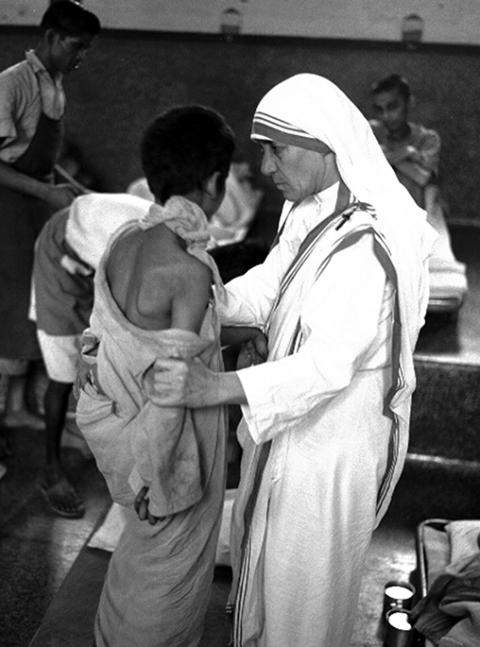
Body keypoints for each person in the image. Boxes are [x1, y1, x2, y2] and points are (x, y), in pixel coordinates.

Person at [146, 74, 436, 647]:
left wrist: (214, 386)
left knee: (302, 599)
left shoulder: (368, 243)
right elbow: (268, 287)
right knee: (266, 573)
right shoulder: (311, 212)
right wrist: (200, 287)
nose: (265, 165)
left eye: (275, 148)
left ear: (323, 143)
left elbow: (327, 366)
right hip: (290, 428)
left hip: (330, 446)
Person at [76, 106, 263, 647]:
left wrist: (232, 339)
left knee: (141, 553)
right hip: (165, 454)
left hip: (121, 428)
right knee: (169, 567)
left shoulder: (123, 243)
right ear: (213, 183)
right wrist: (155, 485)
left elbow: (146, 335)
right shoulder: (187, 269)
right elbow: (173, 388)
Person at [0, 1, 100, 448]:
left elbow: (45, 162)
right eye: (76, 47)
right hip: (7, 206)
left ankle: (19, 408)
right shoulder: (12, 84)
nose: (81, 57)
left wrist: (77, 190)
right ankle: (7, 410)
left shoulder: (56, 85)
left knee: (31, 306)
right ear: (53, 38)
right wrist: (45, 192)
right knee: (10, 304)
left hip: (35, 203)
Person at [31, 192, 151, 518]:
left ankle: (92, 432)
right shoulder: (123, 256)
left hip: (90, 251)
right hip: (62, 253)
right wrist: (90, 354)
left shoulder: (168, 244)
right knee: (63, 375)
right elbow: (105, 315)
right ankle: (51, 471)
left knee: (97, 358)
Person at [370, 73, 467, 312]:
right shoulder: (372, 132)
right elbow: (420, 174)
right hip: (382, 207)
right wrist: (409, 155)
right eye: (379, 109)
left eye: (392, 107)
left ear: (409, 103)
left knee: (429, 191)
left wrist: (387, 156)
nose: (386, 116)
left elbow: (425, 179)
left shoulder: (428, 139)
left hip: (420, 208)